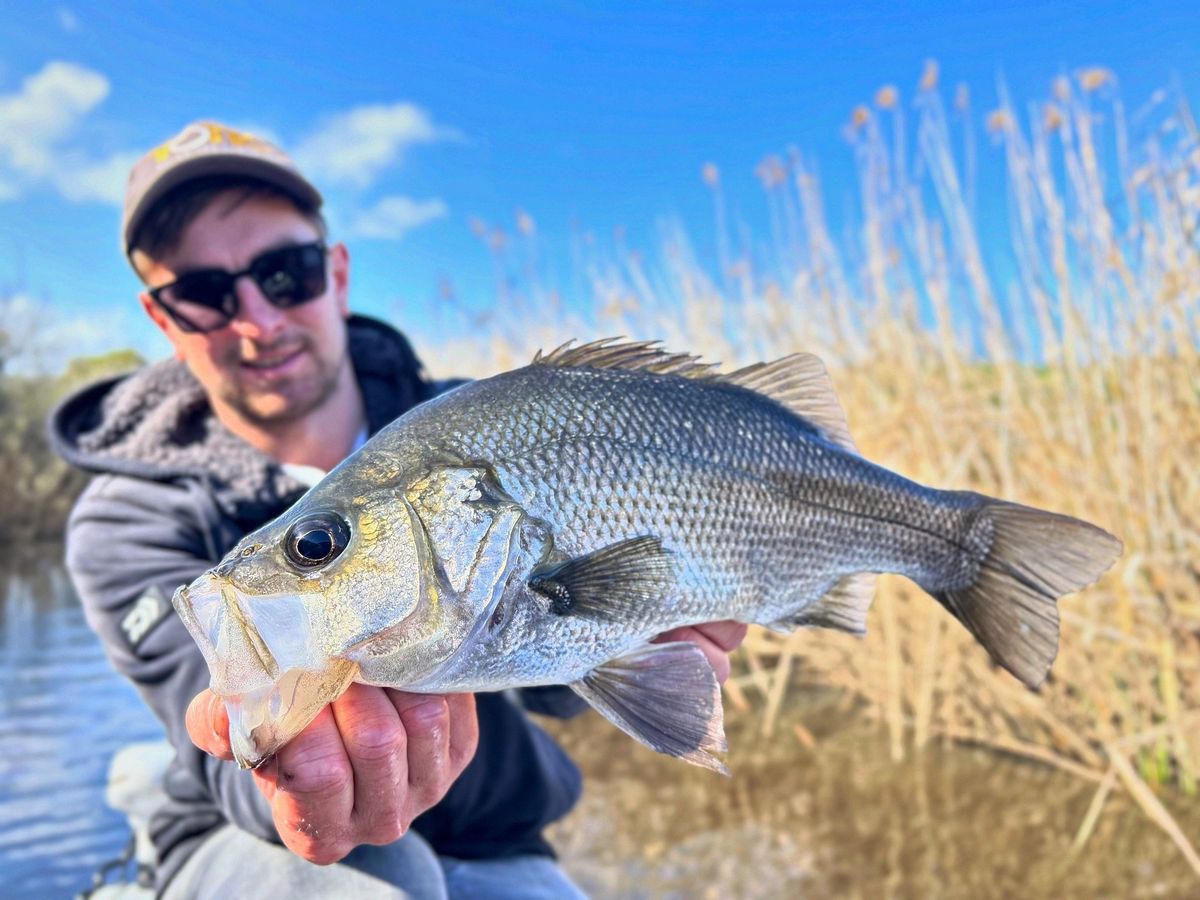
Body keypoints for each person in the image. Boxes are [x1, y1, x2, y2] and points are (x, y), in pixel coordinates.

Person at [50, 121, 747, 898]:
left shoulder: (470, 423)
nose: (258, 321)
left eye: (286, 274)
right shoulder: (124, 517)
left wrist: (628, 638)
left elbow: (553, 687)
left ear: (338, 274)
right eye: (205, 295)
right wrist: (285, 779)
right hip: (238, 844)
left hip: (496, 834)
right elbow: (219, 734)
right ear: (163, 320)